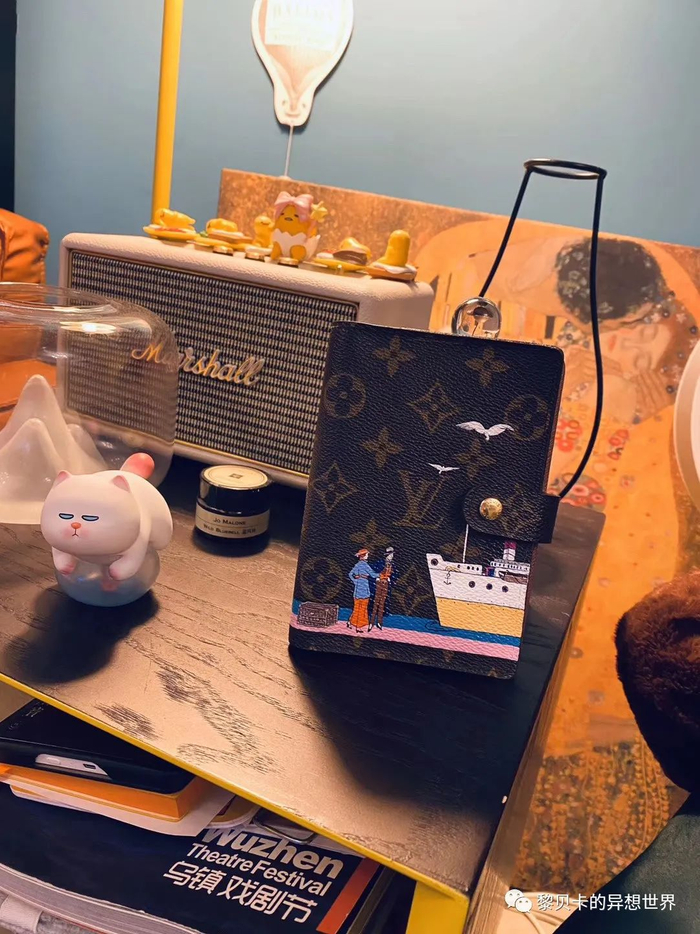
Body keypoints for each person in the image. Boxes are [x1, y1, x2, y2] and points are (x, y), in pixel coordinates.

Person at [348, 548, 378, 632]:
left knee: (357, 607)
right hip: (364, 588)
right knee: (362, 607)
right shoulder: (365, 565)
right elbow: (373, 575)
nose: (368, 556)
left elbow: (350, 574)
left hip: (357, 589)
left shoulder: (357, 565)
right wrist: (382, 575)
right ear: (364, 556)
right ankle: (358, 626)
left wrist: (355, 581)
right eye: (367, 554)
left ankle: (351, 622)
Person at [369, 547, 395, 631]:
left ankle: (379, 622)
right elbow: (374, 570)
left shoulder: (391, 564)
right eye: (391, 554)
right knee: (376, 603)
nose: (392, 556)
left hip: (386, 584)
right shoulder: (380, 563)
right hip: (379, 583)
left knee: (382, 604)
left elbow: (392, 574)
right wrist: (378, 577)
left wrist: (389, 579)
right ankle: (371, 622)